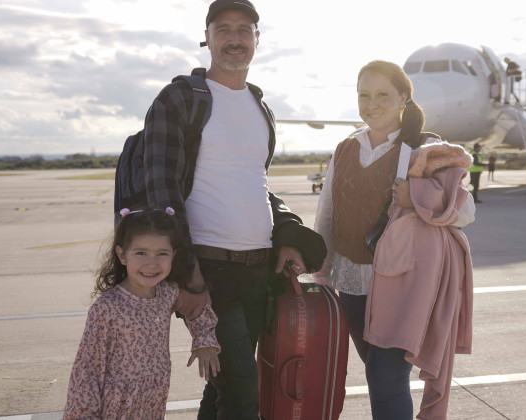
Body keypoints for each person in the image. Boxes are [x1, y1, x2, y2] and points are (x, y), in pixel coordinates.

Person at [141, 1, 326, 418]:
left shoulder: (261, 109)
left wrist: (288, 237)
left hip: (259, 271)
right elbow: (162, 193)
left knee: (224, 390)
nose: (234, 38)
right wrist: (187, 274)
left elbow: (255, 186)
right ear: (206, 37)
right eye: (223, 29)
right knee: (245, 396)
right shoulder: (180, 100)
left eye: (244, 29)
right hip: (208, 269)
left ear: (257, 40)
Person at [313, 60, 475, 419]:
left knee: (386, 377)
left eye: (382, 94)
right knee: (378, 375)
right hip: (352, 282)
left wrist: (416, 200)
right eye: (364, 95)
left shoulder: (424, 147)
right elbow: (327, 215)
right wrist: (321, 273)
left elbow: (466, 212)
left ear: (404, 97)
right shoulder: (344, 149)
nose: (371, 103)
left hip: (405, 284)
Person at [64, 208, 220, 419]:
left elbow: (197, 308)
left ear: (173, 255)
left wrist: (205, 341)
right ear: (122, 255)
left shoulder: (168, 293)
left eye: (161, 254)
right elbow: (87, 371)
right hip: (116, 408)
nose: (152, 263)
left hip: (153, 402)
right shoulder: (107, 308)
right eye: (141, 253)